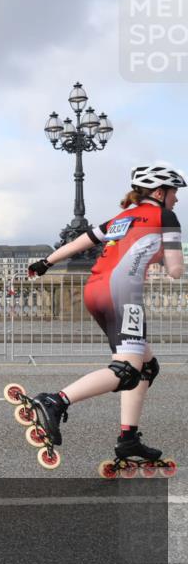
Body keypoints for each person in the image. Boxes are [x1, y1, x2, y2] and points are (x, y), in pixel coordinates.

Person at [26, 163, 183, 465]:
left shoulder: (121, 218)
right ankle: (55, 401)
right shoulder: (166, 217)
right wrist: (165, 254)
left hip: (95, 290)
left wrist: (45, 263)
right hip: (123, 294)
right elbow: (176, 270)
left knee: (146, 367)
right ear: (159, 193)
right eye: (174, 193)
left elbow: (81, 241)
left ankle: (128, 439)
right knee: (126, 371)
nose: (176, 199)